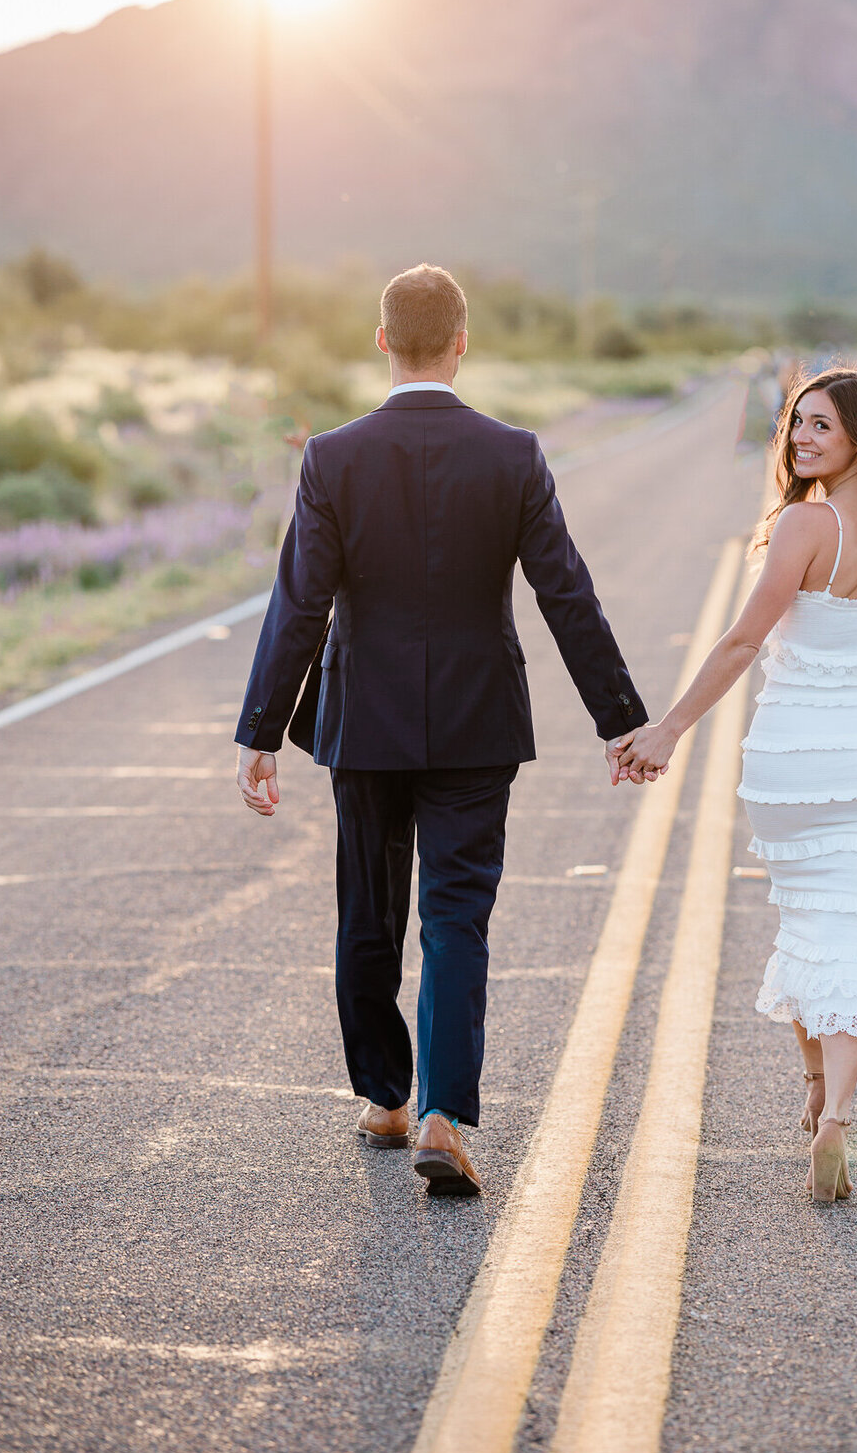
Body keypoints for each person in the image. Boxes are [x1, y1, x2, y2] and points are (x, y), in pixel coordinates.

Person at [234, 264, 648, 1195]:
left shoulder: (332, 457)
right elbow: (564, 592)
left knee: (367, 910)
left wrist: (260, 731)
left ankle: (384, 1093)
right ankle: (443, 1114)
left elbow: (298, 602)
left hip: (363, 720)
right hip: (475, 721)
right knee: (456, 913)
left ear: (382, 340)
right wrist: (618, 719)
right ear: (462, 343)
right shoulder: (513, 454)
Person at [612, 365, 857, 1204]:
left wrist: (667, 729)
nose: (801, 438)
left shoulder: (807, 524)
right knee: (845, 928)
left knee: (811, 925)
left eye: (822, 427)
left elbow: (740, 644)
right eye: (796, 423)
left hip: (796, 754)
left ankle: (822, 1102)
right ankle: (830, 1104)